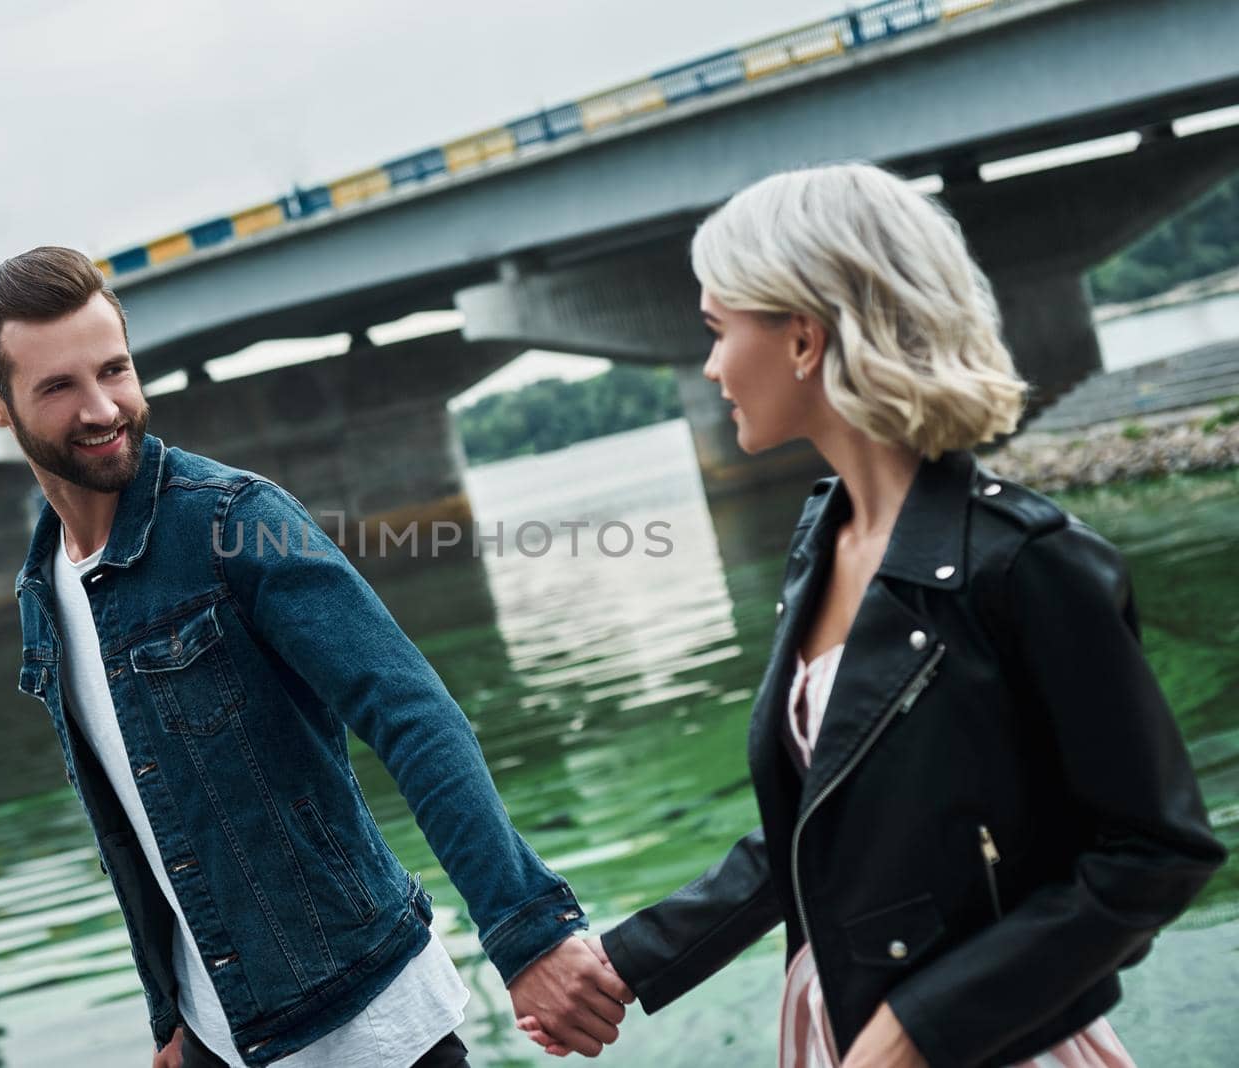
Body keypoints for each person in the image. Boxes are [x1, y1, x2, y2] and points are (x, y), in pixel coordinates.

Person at [518, 163, 1226, 1066]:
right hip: (835, 1026)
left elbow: (1157, 851)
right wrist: (629, 960)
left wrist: (920, 1030)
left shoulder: (1023, 560)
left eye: (716, 329)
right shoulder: (824, 534)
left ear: (804, 339)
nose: (707, 366)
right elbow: (826, 825)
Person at [0, 247, 634, 1068]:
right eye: (59, 387)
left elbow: (412, 716)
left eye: (116, 370)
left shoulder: (232, 521)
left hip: (370, 1025)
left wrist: (526, 933)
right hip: (223, 1038)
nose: (103, 408)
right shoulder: (43, 588)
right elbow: (130, 824)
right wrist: (170, 1012)